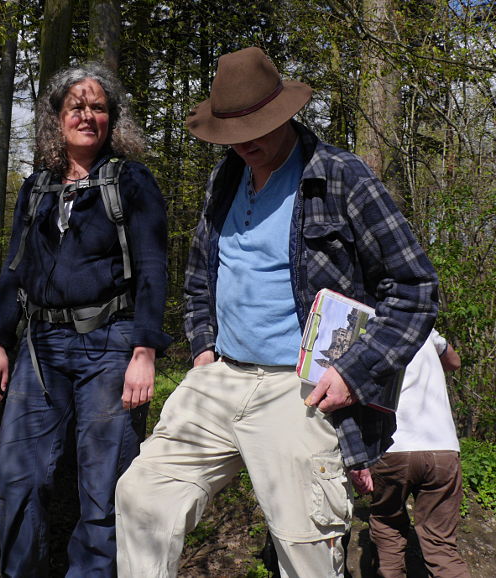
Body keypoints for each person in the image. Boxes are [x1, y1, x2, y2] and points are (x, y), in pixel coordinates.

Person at [114, 46, 438, 577]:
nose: (245, 145)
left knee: (304, 546)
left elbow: (415, 287)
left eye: (256, 129)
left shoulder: (339, 176)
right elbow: (200, 274)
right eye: (232, 136)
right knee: (141, 497)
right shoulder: (225, 178)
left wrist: (353, 373)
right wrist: (202, 348)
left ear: (285, 114)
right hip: (220, 376)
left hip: (301, 386)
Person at [0, 62, 171, 577]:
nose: (87, 116)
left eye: (98, 107)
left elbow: (154, 267)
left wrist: (145, 350)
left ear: (113, 119)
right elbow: (14, 268)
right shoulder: (37, 186)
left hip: (110, 343)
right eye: (76, 106)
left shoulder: (131, 181)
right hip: (39, 347)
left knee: (105, 484)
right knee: (15, 478)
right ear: (57, 118)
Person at [368, 329, 471, 577]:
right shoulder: (422, 325)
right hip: (442, 447)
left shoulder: (363, 323)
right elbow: (454, 362)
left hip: (394, 445)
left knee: (387, 525)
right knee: (442, 547)